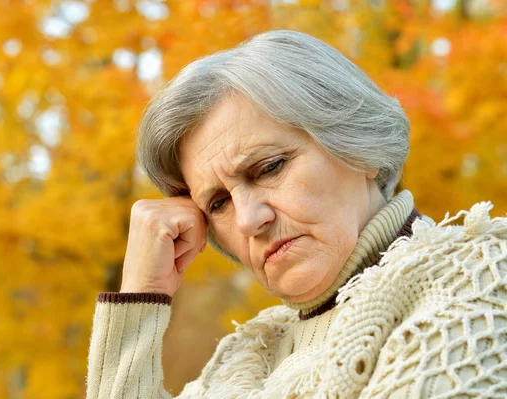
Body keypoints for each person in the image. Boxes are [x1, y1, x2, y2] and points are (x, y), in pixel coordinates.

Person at [85, 30, 507, 398]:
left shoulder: (481, 280)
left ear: (358, 147)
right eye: (218, 203)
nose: (249, 220)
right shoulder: (247, 356)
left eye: (269, 167)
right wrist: (140, 295)